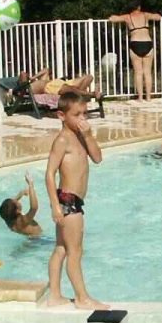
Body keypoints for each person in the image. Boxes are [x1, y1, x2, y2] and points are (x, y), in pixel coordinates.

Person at [45, 91, 107, 308]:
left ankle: (54, 295)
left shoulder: (81, 136)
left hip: (72, 201)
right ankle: (82, 298)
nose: (83, 119)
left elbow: (98, 158)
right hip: (67, 200)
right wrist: (55, 205)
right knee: (75, 251)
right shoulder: (62, 139)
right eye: (77, 114)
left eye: (85, 114)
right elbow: (49, 173)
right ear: (62, 116)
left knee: (61, 248)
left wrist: (89, 136)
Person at [109, 0, 162, 101]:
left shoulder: (127, 17)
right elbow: (158, 17)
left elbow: (112, 19)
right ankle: (148, 97)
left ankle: (140, 97)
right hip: (147, 43)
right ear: (139, 7)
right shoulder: (146, 15)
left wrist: (113, 16)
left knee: (138, 72)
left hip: (135, 43)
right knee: (147, 72)